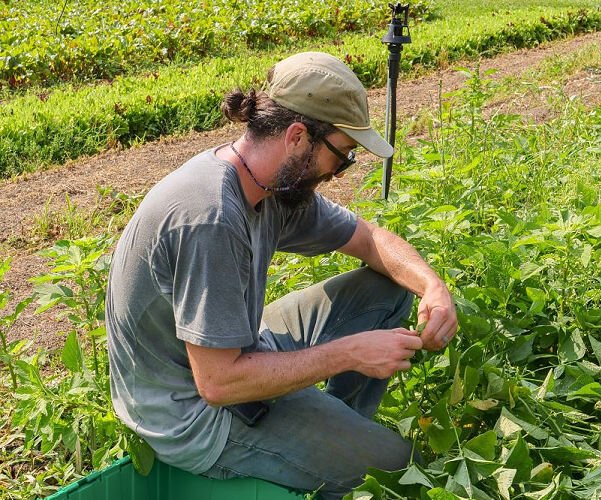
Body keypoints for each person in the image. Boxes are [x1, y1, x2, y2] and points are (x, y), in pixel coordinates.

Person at [105, 51, 457, 499]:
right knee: (395, 470)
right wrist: (349, 353)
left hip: (235, 346)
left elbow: (368, 239)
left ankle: (327, 438)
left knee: (383, 290)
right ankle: (329, 456)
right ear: (297, 137)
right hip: (190, 412)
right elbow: (217, 383)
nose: (339, 172)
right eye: (343, 155)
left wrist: (433, 286)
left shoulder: (268, 185)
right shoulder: (211, 217)